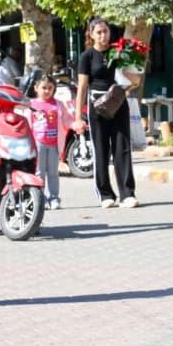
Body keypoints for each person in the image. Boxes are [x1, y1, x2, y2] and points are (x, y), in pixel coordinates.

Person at [75, 17, 138, 208]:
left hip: (118, 103)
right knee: (101, 149)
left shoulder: (118, 53)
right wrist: (78, 117)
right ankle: (105, 194)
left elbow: (135, 81)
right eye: (99, 32)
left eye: (106, 31)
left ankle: (127, 193)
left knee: (122, 147)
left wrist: (129, 67)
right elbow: (82, 88)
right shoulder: (87, 57)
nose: (103, 35)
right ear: (92, 34)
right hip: (97, 105)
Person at [30, 75, 63, 209]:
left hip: (54, 143)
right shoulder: (31, 104)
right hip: (38, 142)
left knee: (53, 172)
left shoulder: (58, 104)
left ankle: (54, 197)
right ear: (36, 88)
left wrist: (75, 124)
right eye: (44, 88)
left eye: (50, 88)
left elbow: (65, 120)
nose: (47, 91)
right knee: (39, 172)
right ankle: (40, 197)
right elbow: (27, 123)